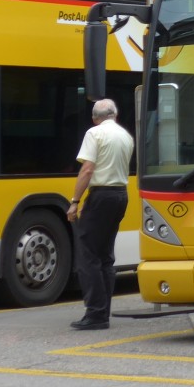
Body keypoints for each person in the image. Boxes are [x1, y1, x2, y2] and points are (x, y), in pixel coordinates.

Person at [67, 98, 134, 331]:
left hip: (101, 195)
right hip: (120, 195)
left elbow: (87, 169)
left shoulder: (94, 134)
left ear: (95, 117)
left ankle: (95, 313)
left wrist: (75, 201)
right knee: (105, 255)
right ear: (115, 115)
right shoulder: (126, 137)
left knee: (88, 254)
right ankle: (103, 311)